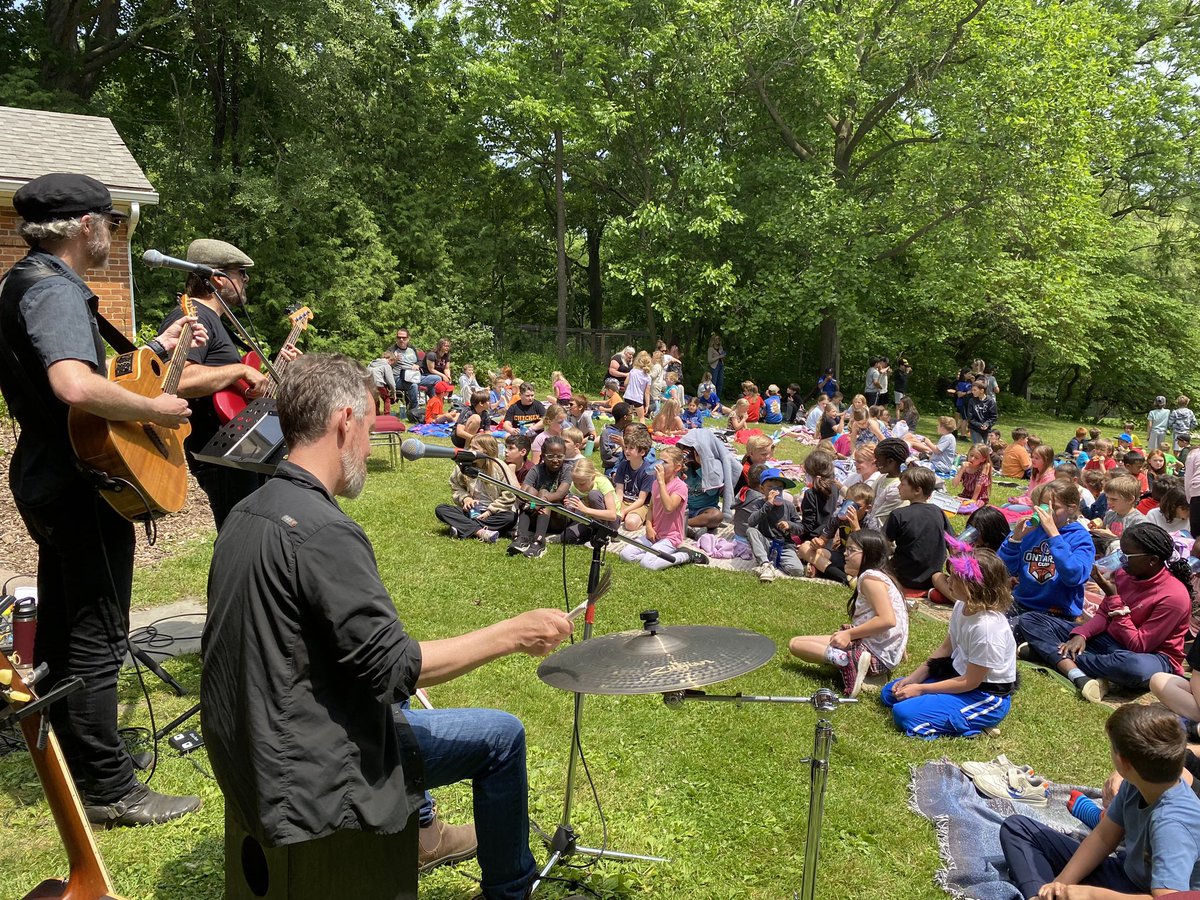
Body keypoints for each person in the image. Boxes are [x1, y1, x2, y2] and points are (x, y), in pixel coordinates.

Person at [203, 354, 572, 899]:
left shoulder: (248, 512)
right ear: (344, 422)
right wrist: (513, 633)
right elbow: (397, 670)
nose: (368, 445)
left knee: (403, 711)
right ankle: (510, 890)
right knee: (502, 736)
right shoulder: (325, 531)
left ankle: (425, 833)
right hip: (313, 768)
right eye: (370, 429)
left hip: (250, 747)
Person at [0, 172, 206, 826]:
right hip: (85, 484)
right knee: (98, 637)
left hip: (48, 477)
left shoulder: (21, 281)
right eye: (111, 223)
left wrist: (152, 351)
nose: (114, 235)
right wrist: (155, 406)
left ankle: (66, 748)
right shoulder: (56, 292)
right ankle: (110, 788)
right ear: (85, 226)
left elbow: (72, 376)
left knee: (61, 625)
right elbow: (73, 386)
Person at [1000, 703, 1200, 899]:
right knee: (1018, 828)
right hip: (1124, 876)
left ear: (1123, 762)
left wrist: (1093, 895)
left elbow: (1170, 898)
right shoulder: (1138, 782)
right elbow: (1104, 837)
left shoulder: (1173, 826)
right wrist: (1061, 883)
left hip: (1147, 894)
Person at [159, 238, 291, 529]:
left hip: (241, 446)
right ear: (218, 279)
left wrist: (252, 385)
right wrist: (239, 371)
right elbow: (178, 379)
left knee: (262, 529)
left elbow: (225, 389)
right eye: (240, 272)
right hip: (221, 453)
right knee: (240, 535)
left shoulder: (218, 322)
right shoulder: (192, 317)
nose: (246, 279)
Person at [1018, 522, 1192, 704]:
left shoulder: (1174, 597)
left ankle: (1052, 655)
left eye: (1127, 555)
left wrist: (1113, 597)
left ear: (1152, 560)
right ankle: (1073, 659)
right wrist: (1082, 635)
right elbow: (1103, 615)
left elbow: (1139, 645)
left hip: (1151, 656)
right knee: (1031, 619)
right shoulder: (1126, 574)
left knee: (1133, 668)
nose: (1121, 559)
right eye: (1120, 553)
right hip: (1110, 641)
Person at [883, 548, 1016, 738]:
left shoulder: (987, 628)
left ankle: (974, 724)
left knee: (903, 714)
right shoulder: (962, 605)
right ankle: (944, 709)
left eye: (955, 578)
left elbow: (970, 681)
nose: (948, 581)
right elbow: (947, 648)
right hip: (958, 678)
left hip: (984, 696)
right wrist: (914, 678)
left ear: (974, 586)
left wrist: (921, 689)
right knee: (891, 693)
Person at [789, 530, 910, 698]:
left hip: (874, 653)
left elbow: (887, 619)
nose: (845, 553)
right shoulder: (883, 576)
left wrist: (849, 633)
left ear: (868, 553)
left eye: (852, 550)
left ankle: (848, 662)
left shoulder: (870, 578)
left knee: (796, 645)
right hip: (883, 655)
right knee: (803, 642)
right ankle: (854, 663)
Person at [998, 480, 1095, 621]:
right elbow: (1002, 571)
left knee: (1021, 626)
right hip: (1023, 603)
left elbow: (1074, 576)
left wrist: (1054, 535)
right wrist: (1015, 541)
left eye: (1053, 507)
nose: (1046, 512)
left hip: (1057, 612)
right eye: (1043, 505)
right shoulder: (1031, 530)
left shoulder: (1080, 537)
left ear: (1071, 509)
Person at [434, 433, 520, 542]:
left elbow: (509, 494)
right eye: (470, 446)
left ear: (486, 451)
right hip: (472, 511)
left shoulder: (499, 466)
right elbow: (455, 485)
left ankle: (462, 527)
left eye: (474, 448)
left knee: (510, 518)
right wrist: (465, 498)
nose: (470, 450)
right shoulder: (464, 466)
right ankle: (480, 532)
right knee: (441, 509)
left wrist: (490, 511)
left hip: (494, 513)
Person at [618, 446, 693, 570]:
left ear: (677, 467)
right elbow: (651, 508)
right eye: (659, 460)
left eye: (665, 462)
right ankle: (654, 555)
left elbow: (669, 507)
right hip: (654, 534)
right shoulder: (655, 483)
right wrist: (648, 526)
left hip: (670, 537)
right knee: (625, 555)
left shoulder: (680, 487)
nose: (659, 465)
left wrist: (661, 483)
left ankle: (684, 556)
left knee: (648, 564)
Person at [885, 467, 952, 593]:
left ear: (917, 490)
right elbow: (952, 543)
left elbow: (883, 544)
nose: (898, 487)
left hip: (902, 576)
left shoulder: (898, 514)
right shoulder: (938, 512)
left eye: (902, 484)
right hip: (931, 578)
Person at [508, 435, 570, 558]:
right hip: (534, 512)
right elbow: (523, 492)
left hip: (558, 518)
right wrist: (532, 502)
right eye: (550, 456)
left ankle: (539, 542)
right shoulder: (536, 469)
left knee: (544, 493)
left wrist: (540, 501)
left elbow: (560, 494)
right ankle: (522, 537)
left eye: (560, 456)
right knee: (530, 491)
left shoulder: (567, 470)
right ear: (542, 456)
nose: (555, 460)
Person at [745, 468, 804, 582]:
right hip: (766, 542)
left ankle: (775, 564)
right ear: (762, 489)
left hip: (784, 545)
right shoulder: (760, 504)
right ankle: (765, 564)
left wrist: (789, 525)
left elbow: (800, 528)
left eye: (779, 488)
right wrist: (768, 505)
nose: (775, 492)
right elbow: (751, 522)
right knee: (751, 531)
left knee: (797, 571)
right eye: (771, 488)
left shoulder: (788, 506)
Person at [389, 327, 422, 414]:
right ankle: (413, 411)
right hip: (398, 378)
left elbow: (420, 361)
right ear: (396, 338)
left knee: (435, 378)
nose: (401, 339)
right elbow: (385, 365)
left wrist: (417, 365)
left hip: (414, 375)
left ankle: (434, 406)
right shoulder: (392, 350)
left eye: (404, 337)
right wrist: (394, 361)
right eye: (399, 337)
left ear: (408, 338)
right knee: (414, 386)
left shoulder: (412, 348)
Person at [963, 379, 998, 445]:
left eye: (975, 390)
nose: (972, 392)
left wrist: (987, 424)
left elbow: (994, 417)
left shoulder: (990, 401)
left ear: (982, 391)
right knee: (979, 445)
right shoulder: (972, 401)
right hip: (975, 428)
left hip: (986, 429)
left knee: (986, 448)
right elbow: (970, 417)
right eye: (972, 390)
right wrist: (979, 425)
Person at [623, 350, 653, 419]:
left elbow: (625, 383)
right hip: (638, 398)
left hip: (628, 396)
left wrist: (628, 389)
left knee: (627, 418)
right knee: (641, 418)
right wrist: (647, 405)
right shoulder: (648, 377)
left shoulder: (633, 371)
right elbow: (647, 393)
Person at [707, 335, 726, 399]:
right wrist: (719, 357)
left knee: (720, 383)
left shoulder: (721, 348)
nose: (718, 341)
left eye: (719, 339)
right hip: (714, 366)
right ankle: (712, 398)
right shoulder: (710, 349)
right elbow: (709, 360)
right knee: (713, 383)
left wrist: (723, 357)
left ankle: (718, 398)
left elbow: (723, 357)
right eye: (716, 339)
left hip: (721, 365)